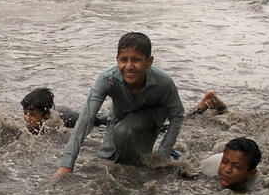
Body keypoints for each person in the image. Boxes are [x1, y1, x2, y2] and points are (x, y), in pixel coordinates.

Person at [54, 32, 184, 178]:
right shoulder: (107, 79)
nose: (129, 66)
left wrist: (163, 153)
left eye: (136, 60)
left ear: (149, 62)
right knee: (107, 161)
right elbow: (86, 118)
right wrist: (66, 165)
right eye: (123, 60)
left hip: (152, 115)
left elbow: (177, 115)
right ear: (117, 60)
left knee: (128, 148)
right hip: (119, 115)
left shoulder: (163, 81)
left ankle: (151, 164)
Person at [20, 87, 107, 135]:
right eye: (25, 113)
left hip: (69, 115)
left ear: (47, 115)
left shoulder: (68, 120)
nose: (27, 118)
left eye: (32, 114)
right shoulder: (32, 123)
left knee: (97, 122)